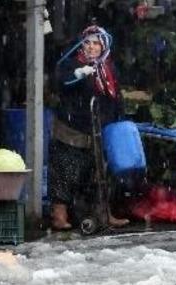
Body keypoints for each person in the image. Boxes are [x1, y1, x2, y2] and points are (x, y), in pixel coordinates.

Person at [49, 25, 129, 230]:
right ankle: (59, 215)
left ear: (103, 47)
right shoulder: (71, 64)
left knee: (99, 174)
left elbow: (115, 96)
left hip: (98, 130)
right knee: (65, 171)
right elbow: (60, 84)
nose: (91, 47)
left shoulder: (108, 69)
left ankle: (104, 214)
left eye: (96, 43)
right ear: (81, 45)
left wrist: (119, 119)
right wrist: (78, 74)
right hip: (71, 129)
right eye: (87, 43)